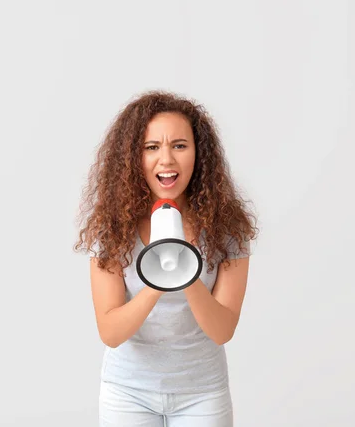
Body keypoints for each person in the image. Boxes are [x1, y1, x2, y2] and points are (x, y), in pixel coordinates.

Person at [73, 90, 259, 427]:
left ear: (198, 155)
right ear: (133, 158)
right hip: (128, 392)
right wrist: (157, 277)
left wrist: (185, 271)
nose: (167, 160)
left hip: (202, 392)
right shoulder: (111, 231)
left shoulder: (227, 230)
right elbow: (111, 332)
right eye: (151, 147)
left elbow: (222, 330)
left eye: (179, 145)